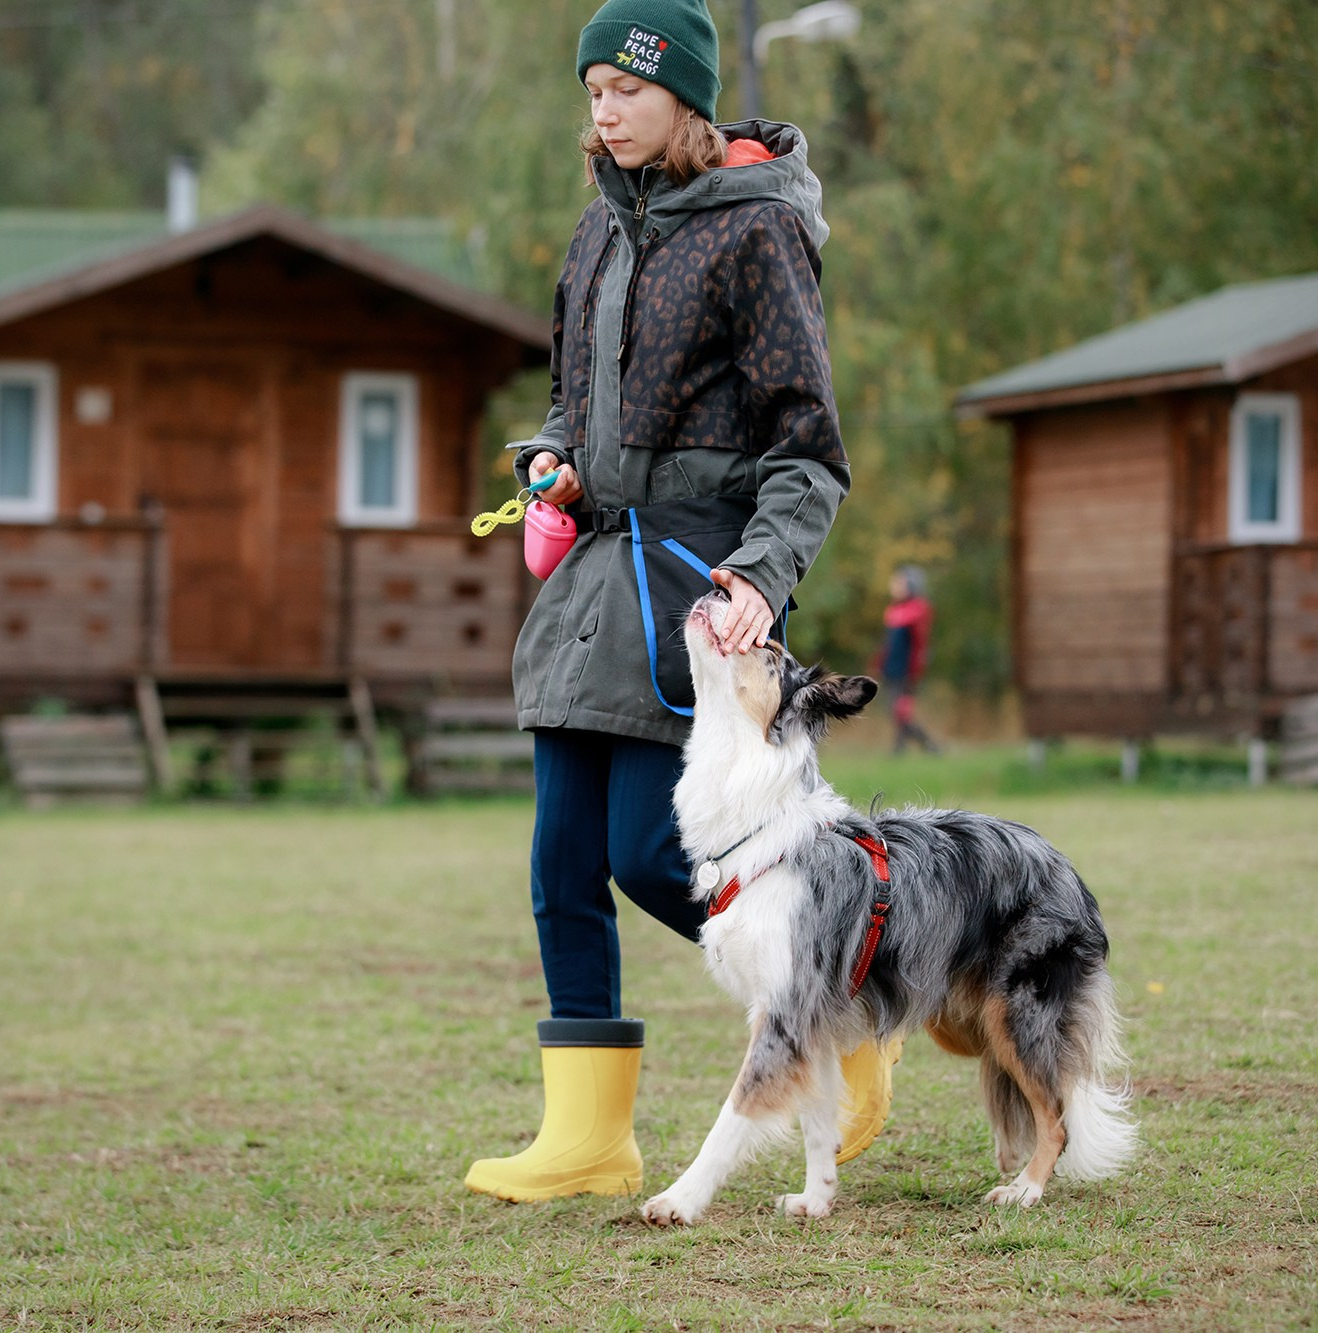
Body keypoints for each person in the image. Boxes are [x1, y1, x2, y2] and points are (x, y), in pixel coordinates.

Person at [464, 0, 901, 1204]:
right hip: (589, 583)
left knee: (646, 852)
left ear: (686, 101)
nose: (602, 111)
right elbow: (567, 399)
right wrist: (549, 457)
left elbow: (805, 448)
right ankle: (589, 1141)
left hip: (697, 590)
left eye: (626, 89)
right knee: (561, 860)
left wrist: (760, 576)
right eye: (591, 90)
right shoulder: (594, 231)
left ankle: (841, 1019)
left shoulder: (757, 233)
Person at [877, 565, 940, 754]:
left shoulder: (919, 610)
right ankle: (902, 748)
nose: (894, 586)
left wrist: (915, 672)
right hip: (891, 669)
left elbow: (920, 645)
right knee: (897, 711)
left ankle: (928, 745)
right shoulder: (894, 611)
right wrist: (879, 663)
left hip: (906, 670)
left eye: (900, 582)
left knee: (901, 712)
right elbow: (887, 644)